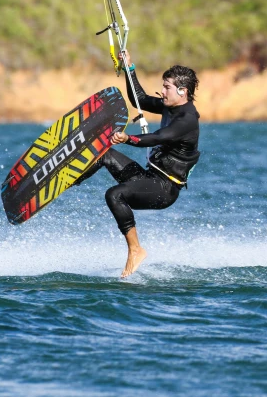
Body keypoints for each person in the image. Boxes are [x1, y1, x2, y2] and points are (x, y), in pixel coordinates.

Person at [74, 50, 200, 277]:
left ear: (183, 91)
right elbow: (139, 99)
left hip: (164, 189)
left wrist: (129, 138)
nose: (162, 92)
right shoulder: (169, 106)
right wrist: (129, 68)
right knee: (104, 153)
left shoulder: (187, 119)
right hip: (149, 178)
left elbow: (160, 137)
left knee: (114, 195)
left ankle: (136, 249)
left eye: (167, 88)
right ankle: (68, 179)